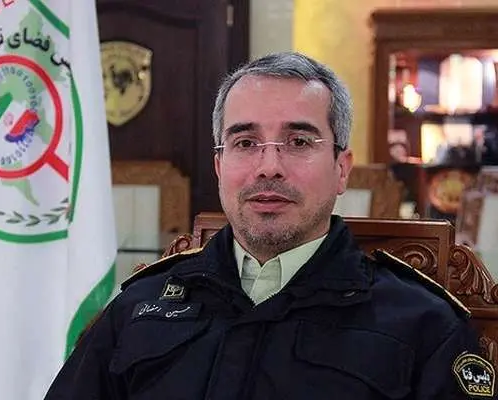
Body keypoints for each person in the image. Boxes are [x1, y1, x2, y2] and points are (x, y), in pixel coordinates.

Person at [44, 52, 495, 399]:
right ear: (219, 166)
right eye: (245, 142)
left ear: (341, 168)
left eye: (298, 141)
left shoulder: (423, 325)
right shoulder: (138, 307)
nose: (269, 166)